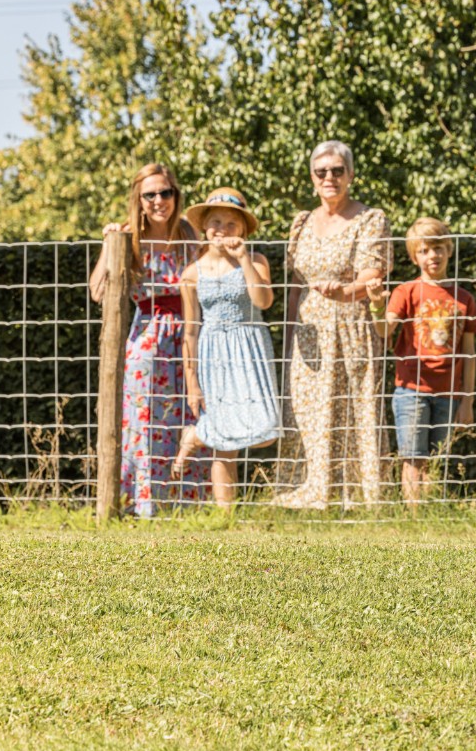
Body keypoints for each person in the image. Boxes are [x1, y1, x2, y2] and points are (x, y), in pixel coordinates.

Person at [274, 140, 392, 508]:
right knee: (309, 411)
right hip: (309, 335)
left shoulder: (371, 219)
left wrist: (343, 292)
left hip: (351, 328)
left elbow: (371, 278)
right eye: (321, 171)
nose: (330, 177)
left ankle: (358, 495)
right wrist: (291, 333)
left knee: (356, 407)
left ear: (351, 175)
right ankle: (313, 491)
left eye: (337, 170)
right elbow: (295, 286)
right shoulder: (302, 223)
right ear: (312, 178)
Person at [88, 162, 208, 516]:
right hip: (147, 338)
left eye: (165, 192)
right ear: (138, 199)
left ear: (176, 195)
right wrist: (110, 245)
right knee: (145, 420)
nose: (159, 200)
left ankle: (187, 505)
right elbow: (97, 292)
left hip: (189, 334)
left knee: (189, 414)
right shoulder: (128, 237)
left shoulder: (189, 235)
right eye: (150, 194)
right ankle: (144, 504)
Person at [171, 188, 280, 508]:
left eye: (231, 224)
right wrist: (192, 382)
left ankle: (196, 435)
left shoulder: (256, 261)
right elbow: (190, 332)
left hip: (250, 348)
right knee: (224, 443)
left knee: (266, 427)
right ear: (204, 227)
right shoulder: (192, 273)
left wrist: (244, 258)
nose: (222, 229)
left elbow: (264, 301)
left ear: (243, 230)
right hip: (213, 352)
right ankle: (225, 513)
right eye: (215, 222)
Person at [366, 217, 476, 503]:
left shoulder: (464, 298)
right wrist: (377, 305)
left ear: (450, 249)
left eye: (439, 248)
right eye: (425, 250)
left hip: (449, 393)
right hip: (411, 391)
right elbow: (385, 330)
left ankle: (429, 516)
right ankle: (414, 517)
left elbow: (469, 353)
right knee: (413, 457)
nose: (433, 256)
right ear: (414, 255)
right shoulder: (406, 292)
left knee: (436, 459)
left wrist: (467, 400)